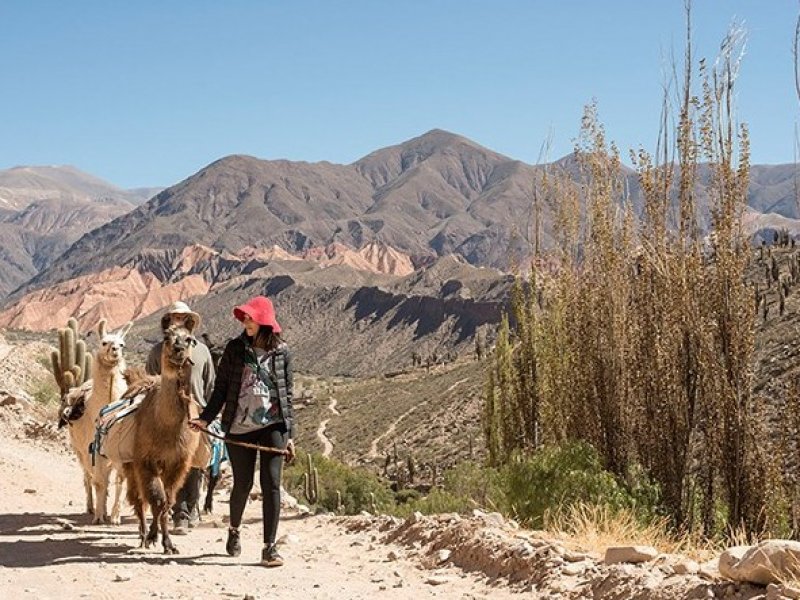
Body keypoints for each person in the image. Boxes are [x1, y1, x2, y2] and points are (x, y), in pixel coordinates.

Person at [190, 295, 295, 568]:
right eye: (244, 317)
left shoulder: (282, 353)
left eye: (250, 317)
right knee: (243, 484)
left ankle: (269, 548)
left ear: (263, 320)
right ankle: (234, 530)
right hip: (239, 427)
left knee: (272, 485)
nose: (245, 321)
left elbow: (287, 395)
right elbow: (221, 389)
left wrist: (290, 435)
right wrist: (204, 419)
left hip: (273, 425)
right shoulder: (235, 350)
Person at [146, 300, 216, 533]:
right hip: (165, 415)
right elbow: (150, 381)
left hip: (196, 413)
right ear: (168, 321)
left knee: (197, 460)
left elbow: (209, 383)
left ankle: (192, 506)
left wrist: (208, 413)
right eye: (174, 317)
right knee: (169, 462)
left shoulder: (202, 351)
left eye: (182, 317)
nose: (178, 320)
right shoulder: (158, 351)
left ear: (189, 321)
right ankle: (177, 512)